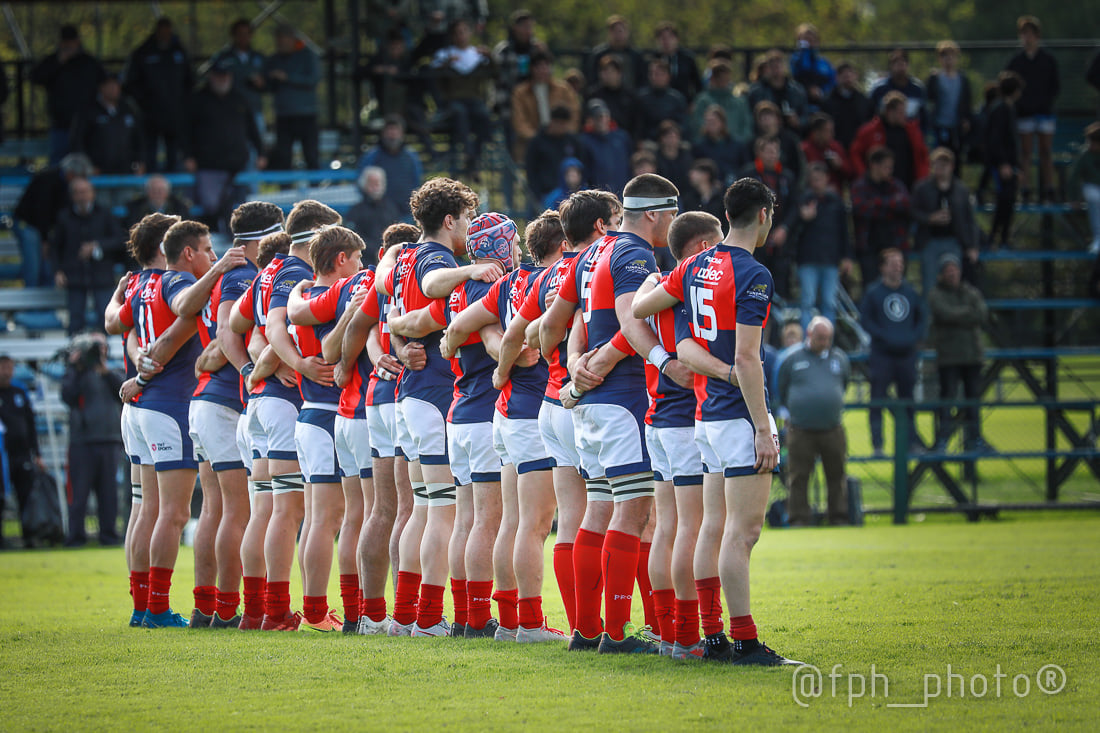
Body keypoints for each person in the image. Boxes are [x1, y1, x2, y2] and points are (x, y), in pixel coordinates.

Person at [632, 176, 800, 666]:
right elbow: (749, 359)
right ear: (764, 215)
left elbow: (671, 336)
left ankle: (711, 637)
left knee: (710, 529)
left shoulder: (692, 267)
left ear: (727, 216)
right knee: (741, 534)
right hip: (736, 417)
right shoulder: (754, 274)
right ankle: (744, 641)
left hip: (704, 418)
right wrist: (763, 426)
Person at [373, 177, 503, 637]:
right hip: (432, 392)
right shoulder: (435, 258)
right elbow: (430, 289)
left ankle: (406, 615)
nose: (470, 228)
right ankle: (426, 618)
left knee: (424, 510)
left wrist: (399, 334)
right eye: (466, 218)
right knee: (440, 511)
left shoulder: (401, 256)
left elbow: (392, 306)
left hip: (411, 394)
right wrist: (470, 272)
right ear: (449, 220)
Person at [118, 219, 248, 627]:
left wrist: (137, 362)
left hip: (140, 408)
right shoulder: (176, 282)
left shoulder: (139, 284)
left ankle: (142, 607)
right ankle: (156, 608)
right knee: (171, 514)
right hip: (167, 405)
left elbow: (117, 325)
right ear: (184, 251)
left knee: (144, 508)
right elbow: (179, 320)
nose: (214, 255)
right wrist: (142, 374)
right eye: (208, 249)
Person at [776, 317, 851, 526]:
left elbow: (844, 383)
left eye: (828, 338)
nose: (824, 342)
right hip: (800, 429)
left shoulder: (840, 359)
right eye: (820, 338)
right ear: (809, 335)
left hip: (832, 428)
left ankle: (838, 517)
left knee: (837, 475)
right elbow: (781, 388)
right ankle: (798, 519)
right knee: (798, 476)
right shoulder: (792, 359)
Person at [182, 58, 266, 231]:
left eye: (225, 75)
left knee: (242, 207)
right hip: (209, 165)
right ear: (211, 76)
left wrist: (261, 153)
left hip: (239, 165)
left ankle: (237, 239)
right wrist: (188, 156)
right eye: (218, 75)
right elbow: (185, 131)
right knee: (210, 204)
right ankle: (210, 234)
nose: (222, 79)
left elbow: (253, 130)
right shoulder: (198, 100)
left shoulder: (240, 99)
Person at [860, 248, 927, 456]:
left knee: (908, 400)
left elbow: (922, 320)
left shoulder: (911, 292)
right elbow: (866, 320)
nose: (898, 266)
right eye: (893, 262)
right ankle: (878, 444)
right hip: (882, 355)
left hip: (907, 355)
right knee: (877, 399)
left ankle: (911, 443)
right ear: (883, 267)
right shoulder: (873, 293)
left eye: (900, 262)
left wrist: (912, 338)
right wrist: (885, 337)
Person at [61, 333, 124, 547]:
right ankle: (76, 536)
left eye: (102, 346)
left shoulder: (112, 371)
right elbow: (67, 396)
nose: (99, 350)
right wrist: (75, 367)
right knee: (79, 493)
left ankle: (108, 535)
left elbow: (123, 393)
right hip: (82, 441)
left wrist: (105, 372)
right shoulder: (77, 372)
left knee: (109, 493)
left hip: (110, 440)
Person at [927, 253, 988, 452]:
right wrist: (966, 314)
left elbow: (981, 314)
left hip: (972, 356)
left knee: (973, 402)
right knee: (947, 400)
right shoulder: (936, 294)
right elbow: (943, 312)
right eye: (948, 271)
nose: (952, 274)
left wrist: (957, 316)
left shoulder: (970, 292)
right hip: (949, 358)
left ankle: (976, 439)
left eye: (955, 270)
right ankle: (942, 440)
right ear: (941, 274)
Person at [51, 177, 125, 335]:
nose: (82, 196)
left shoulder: (105, 213)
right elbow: (55, 247)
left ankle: (106, 355)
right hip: (74, 275)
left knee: (106, 317)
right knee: (75, 320)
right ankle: (74, 355)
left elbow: (120, 240)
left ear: (92, 193)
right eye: (77, 193)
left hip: (102, 275)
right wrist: (57, 270)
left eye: (84, 192)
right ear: (72, 196)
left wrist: (97, 246)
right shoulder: (64, 217)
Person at [12, 153, 93, 288]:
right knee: (34, 263)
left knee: (47, 262)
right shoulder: (48, 178)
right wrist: (45, 240)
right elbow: (40, 212)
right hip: (28, 224)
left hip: (45, 228)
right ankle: (31, 298)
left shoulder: (66, 186)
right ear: (72, 174)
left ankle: (44, 298)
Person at [124, 17, 193, 172]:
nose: (165, 34)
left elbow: (190, 82)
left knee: (174, 156)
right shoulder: (143, 52)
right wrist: (145, 103)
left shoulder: (179, 52)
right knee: (149, 154)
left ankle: (172, 191)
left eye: (167, 31)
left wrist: (182, 104)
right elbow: (130, 84)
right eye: (162, 31)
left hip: (175, 114)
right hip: (150, 115)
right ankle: (151, 188)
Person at [29, 24, 105, 164]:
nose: (69, 46)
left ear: (78, 42)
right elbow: (35, 77)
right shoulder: (53, 60)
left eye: (72, 42)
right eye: (66, 42)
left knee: (88, 162)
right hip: (61, 123)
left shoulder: (89, 62)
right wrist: (59, 62)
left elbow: (105, 83)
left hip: (87, 124)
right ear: (60, 43)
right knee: (58, 162)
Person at [431, 19, 496, 178]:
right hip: (452, 100)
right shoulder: (444, 55)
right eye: (458, 32)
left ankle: (474, 158)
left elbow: (495, 73)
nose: (462, 36)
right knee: (460, 114)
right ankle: (469, 156)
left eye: (464, 31)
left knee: (483, 115)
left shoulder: (477, 55)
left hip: (474, 99)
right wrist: (445, 65)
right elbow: (432, 79)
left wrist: (491, 57)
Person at [1005, 15, 1061, 202]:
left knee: (1046, 151)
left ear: (1037, 36)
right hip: (1024, 114)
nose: (1026, 38)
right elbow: (1008, 86)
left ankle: (1049, 188)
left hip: (1044, 113)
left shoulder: (1048, 59)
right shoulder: (1016, 61)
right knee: (1026, 152)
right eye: (1023, 34)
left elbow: (1055, 86)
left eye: (1030, 34)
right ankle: (1025, 189)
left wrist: (1044, 103)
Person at [911, 147, 980, 295]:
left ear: (952, 166)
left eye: (944, 164)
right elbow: (913, 213)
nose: (940, 168)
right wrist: (930, 218)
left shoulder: (961, 190)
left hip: (954, 241)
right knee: (929, 285)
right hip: (929, 242)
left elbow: (970, 220)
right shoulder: (922, 188)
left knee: (954, 285)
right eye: (937, 164)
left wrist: (973, 245)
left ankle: (953, 317)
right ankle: (929, 318)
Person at [791, 163, 852, 328]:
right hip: (807, 259)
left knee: (829, 303)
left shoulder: (836, 202)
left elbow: (844, 232)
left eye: (819, 179)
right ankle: (807, 340)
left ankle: (827, 342)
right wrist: (803, 219)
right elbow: (793, 230)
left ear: (826, 179)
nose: (816, 183)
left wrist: (847, 257)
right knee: (807, 303)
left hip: (831, 260)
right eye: (813, 179)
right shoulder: (803, 200)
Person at [738, 137, 799, 299]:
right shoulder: (748, 175)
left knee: (780, 281)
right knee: (756, 280)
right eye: (769, 151)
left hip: (781, 238)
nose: (773, 155)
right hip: (755, 237)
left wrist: (785, 228)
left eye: (775, 151)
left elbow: (794, 205)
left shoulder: (787, 176)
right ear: (759, 152)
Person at [850, 147, 911, 289]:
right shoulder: (859, 186)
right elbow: (861, 209)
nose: (889, 171)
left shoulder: (896, 185)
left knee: (897, 287)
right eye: (886, 167)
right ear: (874, 165)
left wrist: (876, 203)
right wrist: (890, 206)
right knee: (871, 288)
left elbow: (905, 204)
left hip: (895, 244)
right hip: (869, 247)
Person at [0, 355, 44, 549]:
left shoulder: (19, 392)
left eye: (9, 367)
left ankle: (29, 536)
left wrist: (37, 453)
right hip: (3, 454)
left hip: (22, 453)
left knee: (25, 495)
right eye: (3, 367)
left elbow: (31, 424)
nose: (6, 371)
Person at [265, 24, 321, 170]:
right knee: (283, 157)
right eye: (278, 41)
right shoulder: (274, 60)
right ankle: (285, 192)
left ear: (292, 39)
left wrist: (287, 77)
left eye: (283, 40)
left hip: (306, 115)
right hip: (283, 115)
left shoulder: (308, 56)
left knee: (311, 156)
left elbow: (313, 80)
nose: (280, 44)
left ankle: (315, 191)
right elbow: (268, 88)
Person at [850, 90, 929, 190]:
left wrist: (922, 180)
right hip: (879, 187)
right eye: (901, 112)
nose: (904, 115)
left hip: (909, 185)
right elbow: (855, 154)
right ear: (890, 111)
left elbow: (922, 156)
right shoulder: (869, 131)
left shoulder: (913, 131)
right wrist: (865, 177)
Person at [69, 73, 145, 176]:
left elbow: (139, 139)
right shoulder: (88, 111)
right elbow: (77, 141)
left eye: (116, 85)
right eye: (110, 85)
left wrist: (139, 163)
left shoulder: (128, 110)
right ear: (101, 87)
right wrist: (87, 166)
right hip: (97, 173)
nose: (114, 89)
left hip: (125, 173)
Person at [511, 49, 579, 161]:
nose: (543, 70)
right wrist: (539, 139)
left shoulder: (564, 90)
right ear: (532, 68)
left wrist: (562, 133)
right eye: (539, 66)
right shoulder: (520, 93)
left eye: (546, 66)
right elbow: (519, 122)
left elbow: (574, 114)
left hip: (562, 141)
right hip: (531, 144)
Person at [493, 9, 543, 163]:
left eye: (530, 27)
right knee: (511, 154)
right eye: (525, 27)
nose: (528, 31)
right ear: (516, 27)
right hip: (509, 109)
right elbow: (497, 80)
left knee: (534, 154)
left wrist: (544, 54)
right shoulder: (504, 50)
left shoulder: (536, 49)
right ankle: (509, 186)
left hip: (533, 110)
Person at [208, 19, 267, 140]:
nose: (243, 37)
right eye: (240, 34)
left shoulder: (259, 58)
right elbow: (212, 82)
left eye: (247, 34)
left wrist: (261, 83)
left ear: (251, 35)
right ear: (233, 35)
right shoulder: (223, 58)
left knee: (257, 149)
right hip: (230, 111)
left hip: (254, 109)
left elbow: (269, 85)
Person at [356, 115, 423, 218]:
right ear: (383, 133)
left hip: (406, 214)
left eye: (396, 131)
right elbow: (362, 185)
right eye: (389, 131)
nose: (393, 135)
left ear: (402, 134)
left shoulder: (411, 158)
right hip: (378, 215)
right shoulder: (371, 157)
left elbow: (417, 183)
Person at [986, 72, 1023, 248]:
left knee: (1008, 202)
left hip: (1010, 164)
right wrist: (1003, 164)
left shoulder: (1008, 108)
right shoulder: (1000, 109)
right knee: (1004, 201)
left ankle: (1003, 236)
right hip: (1002, 165)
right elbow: (995, 139)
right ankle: (996, 236)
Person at [525, 106, 588, 207]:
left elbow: (580, 165)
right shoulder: (538, 142)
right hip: (546, 191)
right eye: (559, 123)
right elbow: (531, 169)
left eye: (564, 124)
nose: (562, 127)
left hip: (569, 193)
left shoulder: (572, 141)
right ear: (552, 122)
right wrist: (536, 192)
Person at [925, 41, 973, 164]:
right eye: (945, 56)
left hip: (956, 128)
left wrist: (966, 119)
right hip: (938, 126)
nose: (949, 59)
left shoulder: (962, 79)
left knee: (956, 160)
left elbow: (967, 101)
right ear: (939, 59)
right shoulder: (935, 78)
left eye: (952, 56)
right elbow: (928, 99)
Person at [690, 59, 753, 146]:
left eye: (725, 78)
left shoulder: (740, 102)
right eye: (719, 77)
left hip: (736, 149)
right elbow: (697, 126)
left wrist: (735, 144)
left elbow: (747, 128)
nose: (723, 81)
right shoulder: (702, 101)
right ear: (712, 79)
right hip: (709, 148)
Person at [344, 167, 402, 260]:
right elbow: (353, 237)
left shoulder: (391, 208)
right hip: (364, 259)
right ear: (364, 185)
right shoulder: (356, 211)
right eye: (372, 184)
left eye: (379, 183)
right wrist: (376, 250)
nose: (376, 187)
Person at [748, 49, 810, 134]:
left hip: (791, 134)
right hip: (764, 135)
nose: (776, 70)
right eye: (772, 67)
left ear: (785, 67)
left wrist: (798, 121)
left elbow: (806, 115)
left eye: (778, 66)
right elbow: (750, 117)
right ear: (767, 68)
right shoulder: (756, 91)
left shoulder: (797, 90)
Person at [581, 99, 632, 197]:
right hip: (599, 196)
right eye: (598, 117)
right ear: (590, 120)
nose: (602, 120)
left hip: (623, 192)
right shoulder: (584, 141)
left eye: (604, 116)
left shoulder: (622, 137)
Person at [584, 14, 647, 92]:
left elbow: (642, 81)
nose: (618, 35)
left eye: (620, 31)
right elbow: (591, 79)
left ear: (627, 32)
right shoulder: (599, 54)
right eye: (614, 31)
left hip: (629, 98)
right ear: (609, 33)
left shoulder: (635, 55)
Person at [869, 48, 927, 131]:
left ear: (908, 65)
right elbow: (870, 116)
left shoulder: (918, 89)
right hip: (884, 136)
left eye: (903, 62)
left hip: (910, 137)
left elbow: (924, 118)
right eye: (896, 62)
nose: (900, 66)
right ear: (891, 66)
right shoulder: (879, 89)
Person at [585, 56, 641, 141]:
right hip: (597, 139)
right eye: (604, 71)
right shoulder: (593, 95)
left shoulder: (630, 96)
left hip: (623, 140)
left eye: (611, 71)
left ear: (619, 74)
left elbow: (637, 123)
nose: (608, 75)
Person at [692, 105, 749, 186]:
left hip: (734, 184)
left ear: (722, 122)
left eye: (713, 122)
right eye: (708, 122)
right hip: (710, 187)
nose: (710, 125)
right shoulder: (699, 147)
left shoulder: (737, 145)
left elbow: (745, 168)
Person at [636, 58, 688, 144]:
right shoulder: (641, 98)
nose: (655, 77)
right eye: (652, 74)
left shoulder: (677, 99)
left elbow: (683, 124)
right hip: (649, 142)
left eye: (659, 74)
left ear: (668, 76)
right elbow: (638, 126)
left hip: (672, 141)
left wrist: (671, 135)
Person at [823, 61, 872, 150]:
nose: (847, 77)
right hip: (836, 149)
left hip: (859, 148)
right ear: (836, 77)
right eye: (843, 74)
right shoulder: (827, 101)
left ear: (856, 76)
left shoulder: (864, 101)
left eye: (850, 73)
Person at [1068, 122, 1100, 254]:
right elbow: (1074, 179)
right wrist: (1074, 198)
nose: (1091, 145)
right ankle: (1098, 238)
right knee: (1093, 195)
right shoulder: (1085, 156)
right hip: (1091, 190)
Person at [801, 113, 852, 192]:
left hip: (834, 195)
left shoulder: (836, 147)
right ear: (817, 132)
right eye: (828, 131)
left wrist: (840, 165)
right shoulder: (804, 149)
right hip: (811, 193)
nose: (832, 134)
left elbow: (850, 173)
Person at [789, 23, 835, 110]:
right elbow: (801, 70)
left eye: (812, 39)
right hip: (801, 102)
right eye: (805, 39)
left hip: (822, 102)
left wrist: (821, 92)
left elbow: (832, 81)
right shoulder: (795, 59)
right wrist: (804, 50)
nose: (809, 42)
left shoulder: (824, 62)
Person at [653, 21, 701, 101]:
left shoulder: (688, 59)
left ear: (677, 39)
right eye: (663, 38)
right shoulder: (652, 59)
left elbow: (697, 85)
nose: (666, 41)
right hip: (659, 103)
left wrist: (694, 103)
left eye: (670, 37)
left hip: (684, 102)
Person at [124, 175, 191, 230]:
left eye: (161, 190)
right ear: (147, 192)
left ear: (167, 192)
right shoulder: (136, 208)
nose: (157, 193)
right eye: (154, 190)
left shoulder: (179, 207)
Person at [683, 159, 727, 226]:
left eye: (696, 172)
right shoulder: (689, 199)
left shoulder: (722, 198)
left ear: (706, 175)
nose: (691, 175)